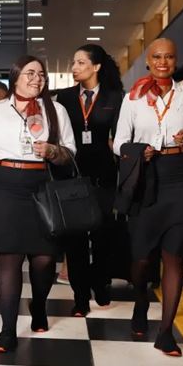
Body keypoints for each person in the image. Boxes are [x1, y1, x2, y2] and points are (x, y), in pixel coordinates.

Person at [0, 55, 76, 353]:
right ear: (15, 77)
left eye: (41, 74)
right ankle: (7, 330)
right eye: (30, 73)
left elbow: (70, 153)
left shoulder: (57, 111)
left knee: (44, 260)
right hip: (2, 187)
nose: (36, 78)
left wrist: (54, 150)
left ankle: (38, 304)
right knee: (9, 259)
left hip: (42, 187)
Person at [113, 38, 183, 356]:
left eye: (169, 57)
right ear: (148, 61)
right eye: (157, 57)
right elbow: (118, 142)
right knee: (140, 257)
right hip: (146, 177)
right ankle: (140, 302)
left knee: (174, 255)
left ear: (176, 61)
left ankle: (166, 332)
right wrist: (139, 150)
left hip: (180, 175)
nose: (163, 62)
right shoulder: (133, 98)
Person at [55, 44, 124, 316]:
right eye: (74, 62)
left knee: (103, 236)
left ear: (96, 67)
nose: (74, 67)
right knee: (76, 242)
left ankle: (101, 282)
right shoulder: (65, 97)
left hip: (104, 178)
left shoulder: (115, 97)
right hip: (73, 178)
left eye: (81, 63)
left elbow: (121, 138)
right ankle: (80, 297)